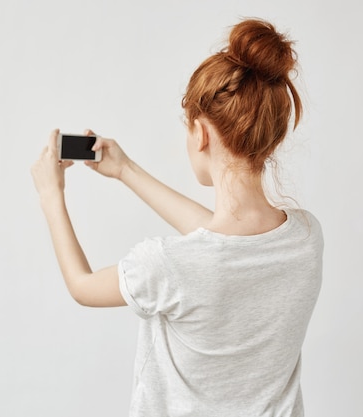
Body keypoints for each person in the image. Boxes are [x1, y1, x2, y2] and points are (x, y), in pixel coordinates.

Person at [31, 18, 323, 417]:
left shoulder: (169, 265)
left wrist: (52, 195)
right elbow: (220, 241)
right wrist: (126, 170)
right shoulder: (307, 237)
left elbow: (82, 286)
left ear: (200, 133)